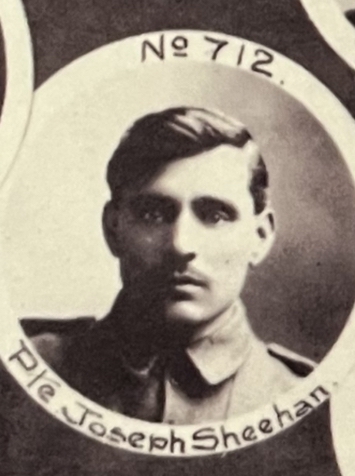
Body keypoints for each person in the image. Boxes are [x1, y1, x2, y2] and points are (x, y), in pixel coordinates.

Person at [22, 107, 315, 424]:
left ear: (260, 236)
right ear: (113, 228)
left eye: (214, 215)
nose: (181, 245)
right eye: (152, 214)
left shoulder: (304, 400)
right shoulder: (27, 373)